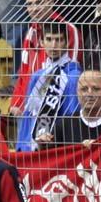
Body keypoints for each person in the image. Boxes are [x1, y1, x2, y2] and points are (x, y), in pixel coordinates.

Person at [15, 21, 80, 152]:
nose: (53, 45)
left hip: (58, 146)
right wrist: (21, 147)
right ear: (42, 42)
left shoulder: (74, 76)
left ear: (67, 43)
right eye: (49, 39)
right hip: (33, 146)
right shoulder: (37, 76)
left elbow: (72, 115)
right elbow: (29, 115)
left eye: (59, 40)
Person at [42, 69, 101, 146]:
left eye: (96, 89)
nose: (89, 94)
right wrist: (42, 145)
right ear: (77, 92)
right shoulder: (64, 125)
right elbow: (51, 155)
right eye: (84, 89)